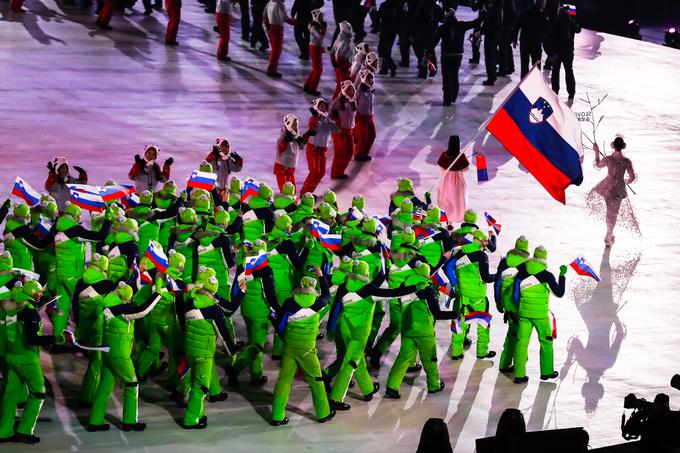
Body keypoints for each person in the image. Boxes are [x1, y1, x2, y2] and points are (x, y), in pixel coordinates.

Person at [86, 283, 161, 432]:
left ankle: (95, 421)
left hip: (108, 352)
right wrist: (158, 295)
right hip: (120, 354)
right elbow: (142, 311)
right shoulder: (121, 310)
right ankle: (129, 421)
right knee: (132, 384)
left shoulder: (108, 306)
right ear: (124, 297)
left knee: (105, 386)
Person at [270, 272, 336, 425]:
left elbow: (280, 326)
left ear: (300, 286)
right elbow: (327, 295)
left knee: (284, 381)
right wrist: (321, 276)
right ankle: (323, 413)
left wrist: (286, 338)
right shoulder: (319, 303)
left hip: (289, 348)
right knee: (316, 380)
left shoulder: (289, 303)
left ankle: (277, 416)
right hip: (307, 350)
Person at [384, 262, 454, 398]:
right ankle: (434, 385)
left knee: (403, 358)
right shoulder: (428, 290)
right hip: (424, 331)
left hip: (407, 329)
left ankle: (392, 386)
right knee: (430, 359)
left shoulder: (403, 287)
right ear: (426, 275)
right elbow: (438, 314)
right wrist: (455, 314)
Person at [0, 279, 57, 444]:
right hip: (26, 359)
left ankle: (4, 431)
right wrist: (54, 339)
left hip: (11, 356)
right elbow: (32, 339)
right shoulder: (30, 313)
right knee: (38, 392)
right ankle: (25, 430)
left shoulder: (13, 305)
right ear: (35, 294)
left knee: (10, 395)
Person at [53, 203, 111, 344]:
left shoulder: (57, 228)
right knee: (84, 307)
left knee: (61, 309)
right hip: (74, 275)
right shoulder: (76, 231)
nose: (80, 217)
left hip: (60, 274)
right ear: (73, 215)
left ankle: (57, 341)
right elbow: (100, 236)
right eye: (78, 215)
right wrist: (108, 218)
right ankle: (83, 339)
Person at [512, 245, 566, 383]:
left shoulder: (521, 273)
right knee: (546, 343)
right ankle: (546, 372)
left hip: (524, 314)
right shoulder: (547, 275)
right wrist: (562, 276)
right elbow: (559, 293)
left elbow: (515, 296)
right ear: (544, 259)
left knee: (521, 343)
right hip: (541, 316)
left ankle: (519, 375)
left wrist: (522, 309)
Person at [450, 229, 496, 360]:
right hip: (478, 297)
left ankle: (456, 351)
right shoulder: (481, 256)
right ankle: (482, 351)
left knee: (460, 323)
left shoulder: (459, 253)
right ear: (480, 241)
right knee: (483, 323)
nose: (487, 243)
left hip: (463, 295)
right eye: (485, 241)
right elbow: (486, 277)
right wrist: (497, 276)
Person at [430, 9, 483, 106]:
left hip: (446, 55)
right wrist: (483, 14)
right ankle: (454, 96)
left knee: (446, 77)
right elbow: (476, 23)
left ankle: (447, 99)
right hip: (457, 55)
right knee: (454, 75)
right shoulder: (461, 25)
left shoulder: (442, 27)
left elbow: (434, 41)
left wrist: (427, 53)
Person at [591, 135, 637, 247]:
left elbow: (598, 164)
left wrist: (596, 151)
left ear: (613, 146)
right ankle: (609, 234)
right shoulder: (627, 161)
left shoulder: (609, 159)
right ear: (623, 147)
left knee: (609, 212)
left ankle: (609, 234)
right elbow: (632, 177)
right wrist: (625, 181)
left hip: (607, 186)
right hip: (619, 188)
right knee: (613, 213)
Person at [494, 236, 530, 373]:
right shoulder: (527, 265)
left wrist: (498, 302)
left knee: (511, 334)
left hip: (507, 305)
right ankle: (519, 366)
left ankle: (504, 363)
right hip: (520, 306)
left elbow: (497, 284)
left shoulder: (504, 262)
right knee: (521, 337)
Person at [300, 98, 339, 195]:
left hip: (323, 150)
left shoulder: (327, 120)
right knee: (314, 172)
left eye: (325, 106)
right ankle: (304, 192)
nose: (323, 108)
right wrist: (316, 118)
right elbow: (312, 128)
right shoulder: (314, 119)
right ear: (316, 107)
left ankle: (310, 192)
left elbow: (337, 130)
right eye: (321, 106)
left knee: (321, 173)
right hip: (314, 149)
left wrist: (334, 120)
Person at [548, 5, 581, 100]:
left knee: (555, 71)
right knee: (569, 71)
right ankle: (571, 92)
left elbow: (551, 37)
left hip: (557, 52)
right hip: (568, 53)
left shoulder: (556, 22)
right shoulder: (571, 23)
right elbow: (578, 29)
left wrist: (551, 51)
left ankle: (555, 91)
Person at [436, 135, 470, 221]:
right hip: (458, 180)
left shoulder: (444, 155)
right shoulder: (461, 156)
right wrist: (460, 167)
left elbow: (440, 166)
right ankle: (456, 216)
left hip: (446, 180)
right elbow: (466, 169)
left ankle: (447, 218)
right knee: (457, 199)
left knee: (447, 199)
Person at [329, 80, 357, 180]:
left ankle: (340, 171)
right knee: (340, 153)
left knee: (349, 153)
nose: (351, 92)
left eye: (352, 90)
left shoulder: (353, 102)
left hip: (349, 132)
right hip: (339, 132)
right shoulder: (337, 103)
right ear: (344, 90)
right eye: (349, 90)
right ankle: (335, 172)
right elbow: (328, 118)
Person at [514, 0, 548, 77]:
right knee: (536, 66)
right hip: (535, 44)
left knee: (524, 65)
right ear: (540, 3)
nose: (545, 4)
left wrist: (514, 38)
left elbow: (517, 25)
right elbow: (547, 30)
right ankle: (534, 83)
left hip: (524, 42)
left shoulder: (526, 12)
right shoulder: (541, 15)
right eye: (544, 3)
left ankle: (523, 84)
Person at [264, 0, 297, 78]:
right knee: (277, 51)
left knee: (274, 50)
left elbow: (265, 15)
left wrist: (267, 26)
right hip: (277, 28)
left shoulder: (270, 2)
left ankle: (271, 68)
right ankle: (271, 70)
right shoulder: (280, 4)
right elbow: (284, 18)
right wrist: (294, 22)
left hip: (270, 28)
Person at [274, 114, 305, 192]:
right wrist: (286, 139)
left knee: (292, 191)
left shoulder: (296, 137)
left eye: (296, 125)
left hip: (290, 169)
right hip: (282, 169)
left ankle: (291, 203)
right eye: (293, 125)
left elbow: (301, 146)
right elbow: (280, 149)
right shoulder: (282, 139)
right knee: (286, 191)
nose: (295, 127)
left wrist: (302, 138)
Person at [303, 9, 328, 95]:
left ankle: (307, 85)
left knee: (315, 69)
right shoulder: (314, 27)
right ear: (317, 17)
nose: (322, 19)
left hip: (316, 48)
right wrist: (324, 29)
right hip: (314, 48)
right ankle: (312, 88)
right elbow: (320, 37)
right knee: (318, 70)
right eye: (321, 17)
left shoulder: (316, 25)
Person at [353, 69, 376, 162]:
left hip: (370, 117)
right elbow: (351, 101)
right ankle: (358, 154)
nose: (370, 81)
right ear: (363, 79)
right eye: (368, 79)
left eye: (371, 79)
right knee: (363, 137)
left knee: (372, 136)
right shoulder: (358, 91)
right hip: (361, 117)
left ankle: (365, 153)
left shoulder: (370, 90)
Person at [376, 0, 402, 77]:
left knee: (383, 50)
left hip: (385, 29)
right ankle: (385, 68)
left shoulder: (385, 5)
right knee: (387, 49)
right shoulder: (398, 6)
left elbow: (379, 16)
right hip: (393, 30)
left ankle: (390, 66)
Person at [331, 21, 355, 98]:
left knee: (340, 86)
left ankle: (336, 103)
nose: (350, 29)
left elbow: (333, 52)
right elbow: (338, 54)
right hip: (343, 66)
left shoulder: (340, 38)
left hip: (341, 66)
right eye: (348, 28)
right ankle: (336, 104)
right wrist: (346, 66)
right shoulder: (345, 41)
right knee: (342, 87)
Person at [482, 0, 502, 86]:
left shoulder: (494, 6)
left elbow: (488, 20)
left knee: (489, 55)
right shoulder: (497, 5)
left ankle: (491, 77)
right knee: (491, 54)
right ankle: (492, 75)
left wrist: (482, 30)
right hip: (494, 32)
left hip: (491, 33)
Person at [497, 0, 515, 76]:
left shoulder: (506, 3)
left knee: (503, 49)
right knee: (507, 48)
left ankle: (502, 69)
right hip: (509, 28)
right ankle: (510, 67)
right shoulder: (510, 3)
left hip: (505, 28)